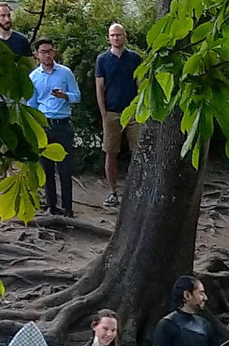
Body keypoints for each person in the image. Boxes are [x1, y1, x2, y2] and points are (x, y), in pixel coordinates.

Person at [28, 38, 80, 218]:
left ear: (54, 52)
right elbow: (32, 105)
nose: (47, 55)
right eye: (43, 52)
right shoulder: (34, 77)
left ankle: (68, 208)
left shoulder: (65, 73)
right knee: (47, 168)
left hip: (62, 124)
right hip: (44, 124)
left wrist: (65, 96)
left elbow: (77, 96)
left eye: (50, 51)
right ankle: (51, 206)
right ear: (37, 54)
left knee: (65, 169)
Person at [94, 23, 142, 208]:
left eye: (119, 35)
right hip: (112, 112)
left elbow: (140, 84)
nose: (116, 38)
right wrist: (103, 113)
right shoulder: (102, 59)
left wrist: (140, 109)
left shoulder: (135, 58)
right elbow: (100, 87)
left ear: (125, 36)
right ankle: (112, 192)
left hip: (133, 113)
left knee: (138, 152)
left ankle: (137, 191)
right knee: (111, 152)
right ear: (108, 37)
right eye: (112, 35)